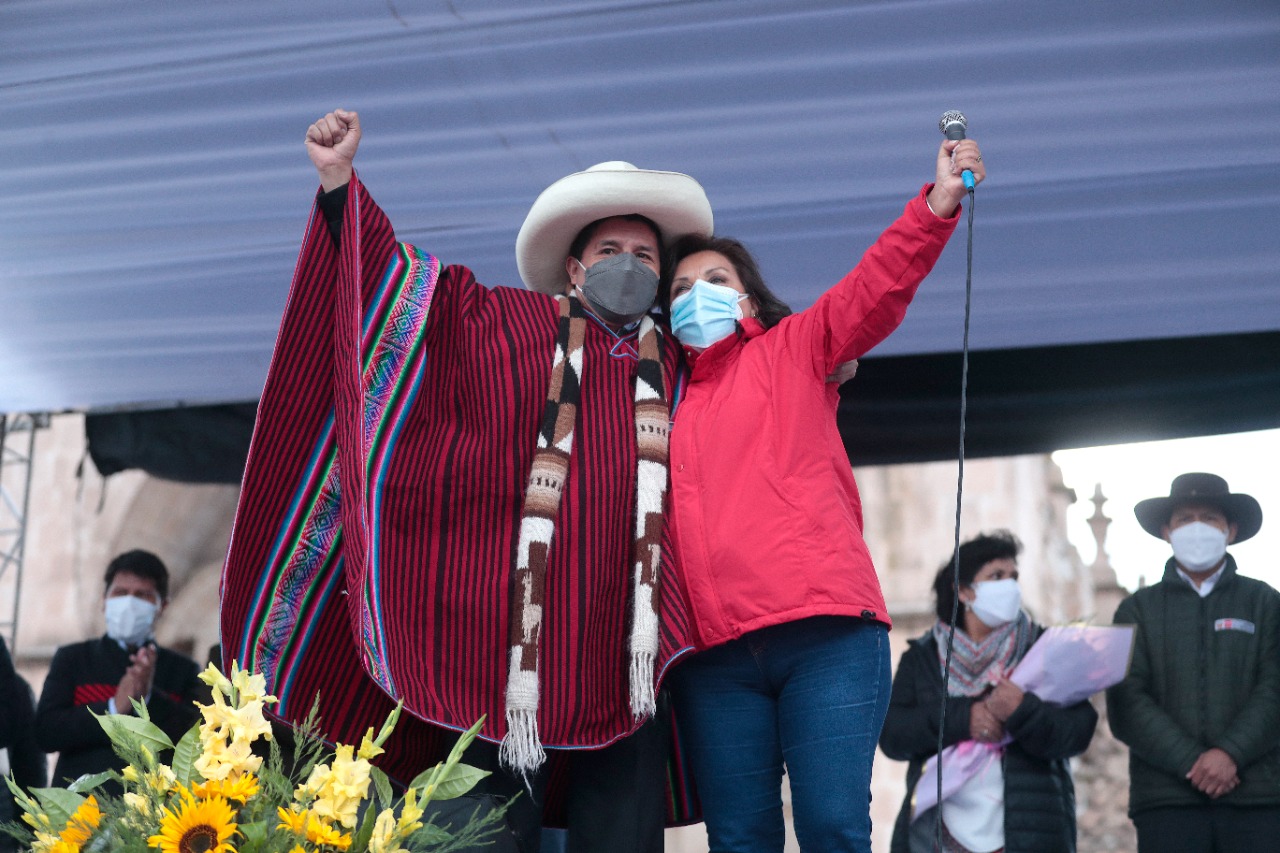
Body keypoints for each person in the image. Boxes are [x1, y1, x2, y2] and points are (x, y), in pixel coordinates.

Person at [219, 109, 715, 851]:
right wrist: (340, 184)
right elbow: (406, 298)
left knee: (624, 839)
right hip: (497, 653)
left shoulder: (686, 366)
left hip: (625, 655)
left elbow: (775, 381)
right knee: (477, 837)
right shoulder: (511, 324)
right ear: (575, 269)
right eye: (609, 249)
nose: (629, 264)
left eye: (645, 254)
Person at [658, 134, 983, 852]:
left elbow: (875, 288)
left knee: (833, 827)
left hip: (826, 634)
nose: (695, 297)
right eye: (679, 291)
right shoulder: (655, 401)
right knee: (739, 840)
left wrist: (936, 205)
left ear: (745, 295)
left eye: (713, 280)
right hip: (714, 657)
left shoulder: (797, 348)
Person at [879, 532, 1097, 853]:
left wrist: (1023, 710)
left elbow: (1078, 731)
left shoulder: (1044, 647)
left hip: (1029, 833)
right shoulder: (923, 657)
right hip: (938, 837)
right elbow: (894, 735)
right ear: (964, 591)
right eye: (996, 576)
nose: (1010, 586)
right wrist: (964, 718)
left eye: (1014, 577)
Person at [1107, 473, 1280, 852]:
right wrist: (1192, 761)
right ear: (1166, 531)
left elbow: (1275, 688)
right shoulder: (1135, 610)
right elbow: (1126, 699)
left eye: (1210, 518)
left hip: (1257, 800)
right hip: (1167, 802)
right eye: (1185, 519)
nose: (1197, 528)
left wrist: (1230, 753)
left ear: (1230, 530)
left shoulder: (1266, 603)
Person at [34, 550, 202, 786]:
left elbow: (193, 741)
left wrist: (148, 697)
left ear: (162, 606)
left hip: (153, 811)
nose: (129, 603)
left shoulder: (183, 669)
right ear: (104, 600)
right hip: (79, 808)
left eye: (142, 595)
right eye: (120, 593)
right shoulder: (73, 658)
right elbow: (46, 733)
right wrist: (113, 708)